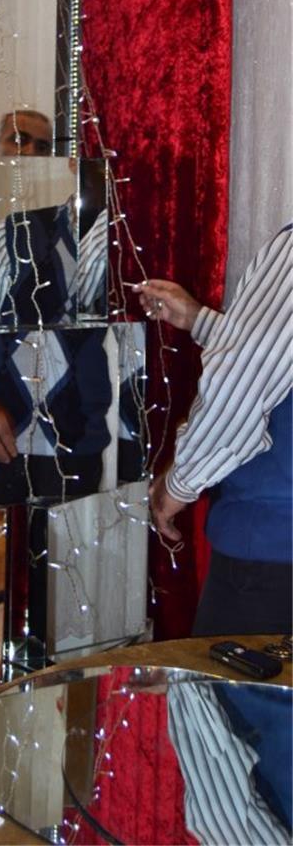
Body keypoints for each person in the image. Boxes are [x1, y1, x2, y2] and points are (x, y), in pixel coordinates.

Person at [0, 111, 111, 503]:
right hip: (2, 437)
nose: (31, 153)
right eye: (19, 140)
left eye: (44, 146)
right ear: (73, 160)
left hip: (79, 441)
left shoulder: (133, 241)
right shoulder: (18, 231)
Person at [139, 224, 292, 635]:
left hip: (273, 554)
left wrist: (176, 485)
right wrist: (199, 320)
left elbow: (244, 379)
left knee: (229, 677)